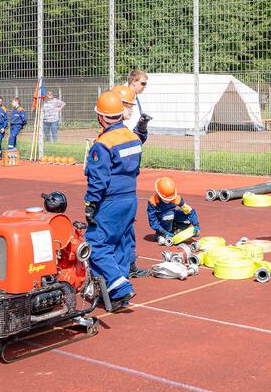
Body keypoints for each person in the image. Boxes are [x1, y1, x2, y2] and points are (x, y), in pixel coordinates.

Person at [84, 91, 140, 310]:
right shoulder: (133, 138)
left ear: (100, 116)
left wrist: (91, 203)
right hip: (130, 198)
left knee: (95, 243)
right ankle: (118, 294)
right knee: (121, 242)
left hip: (110, 201)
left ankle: (120, 287)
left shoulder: (103, 144)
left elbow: (99, 179)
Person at [110, 84, 152, 278]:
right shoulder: (110, 134)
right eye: (128, 106)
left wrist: (141, 130)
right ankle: (116, 275)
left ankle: (129, 264)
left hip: (126, 189)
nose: (132, 109)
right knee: (114, 233)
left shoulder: (123, 130)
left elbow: (133, 143)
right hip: (114, 191)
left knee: (127, 230)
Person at [147, 176, 200, 243]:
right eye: (166, 199)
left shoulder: (177, 198)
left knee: (187, 217)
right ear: (158, 193)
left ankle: (176, 231)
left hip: (172, 216)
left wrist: (196, 225)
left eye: (170, 199)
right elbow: (153, 221)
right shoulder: (152, 202)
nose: (168, 201)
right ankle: (162, 234)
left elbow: (190, 211)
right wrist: (163, 231)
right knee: (169, 215)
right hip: (162, 221)